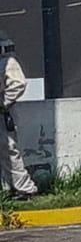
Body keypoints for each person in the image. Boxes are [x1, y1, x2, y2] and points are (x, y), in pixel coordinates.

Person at [2, 34, 39, 200]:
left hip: (3, 114)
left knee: (9, 151)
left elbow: (19, 84)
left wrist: (2, 103)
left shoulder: (7, 62)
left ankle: (25, 189)